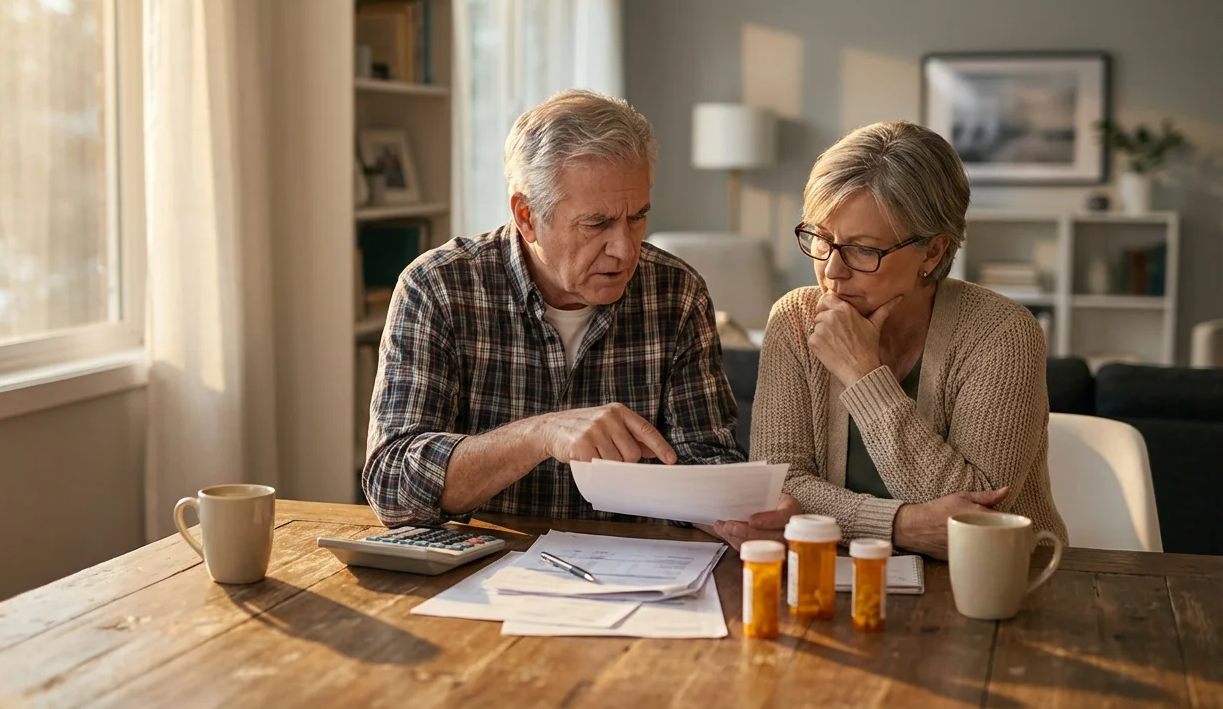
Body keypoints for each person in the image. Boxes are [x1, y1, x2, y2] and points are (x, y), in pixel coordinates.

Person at [363, 89, 744, 527]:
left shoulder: (676, 293)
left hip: (638, 576)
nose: (624, 249)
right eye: (597, 223)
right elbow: (392, 486)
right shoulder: (439, 287)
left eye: (637, 216)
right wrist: (538, 435)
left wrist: (738, 508)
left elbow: (708, 460)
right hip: (486, 578)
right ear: (526, 217)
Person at [715, 121, 1066, 557]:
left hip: (1000, 585)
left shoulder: (1002, 333)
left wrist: (863, 374)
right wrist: (900, 526)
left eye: (864, 250)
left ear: (933, 251)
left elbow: (976, 520)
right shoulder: (795, 319)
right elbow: (780, 486)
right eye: (821, 239)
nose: (832, 271)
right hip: (837, 577)